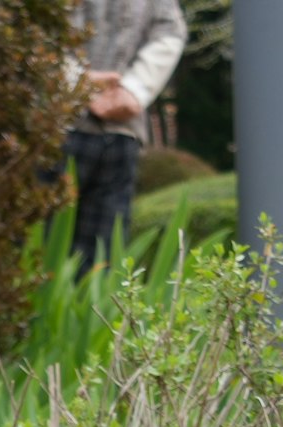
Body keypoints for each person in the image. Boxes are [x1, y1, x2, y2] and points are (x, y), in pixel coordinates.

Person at [64, 0, 186, 270]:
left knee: (101, 266)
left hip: (121, 133)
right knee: (38, 255)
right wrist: (76, 81)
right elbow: (29, 29)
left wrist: (133, 90)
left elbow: (170, 30)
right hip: (54, 128)